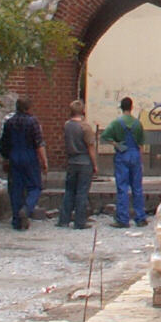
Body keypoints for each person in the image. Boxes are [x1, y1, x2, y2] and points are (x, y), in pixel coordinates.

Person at [0, 96, 47, 231]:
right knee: (35, 187)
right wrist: (44, 162)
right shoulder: (33, 122)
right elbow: (38, 143)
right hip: (29, 156)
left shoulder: (9, 122)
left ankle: (16, 220)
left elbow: (3, 143)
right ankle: (27, 208)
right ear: (28, 108)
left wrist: (5, 158)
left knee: (15, 190)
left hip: (14, 156)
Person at [102, 97, 149, 228]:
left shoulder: (116, 123)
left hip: (122, 154)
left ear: (121, 107)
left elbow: (104, 135)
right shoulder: (138, 124)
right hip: (135, 155)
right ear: (131, 107)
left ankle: (123, 219)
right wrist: (141, 160)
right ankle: (140, 218)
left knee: (122, 187)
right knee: (137, 187)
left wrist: (115, 144)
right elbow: (141, 145)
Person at [58, 99, 97, 230]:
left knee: (69, 191)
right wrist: (95, 164)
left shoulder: (67, 125)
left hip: (71, 161)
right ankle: (80, 221)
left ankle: (64, 219)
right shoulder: (85, 127)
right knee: (82, 192)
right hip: (84, 161)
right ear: (83, 111)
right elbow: (90, 147)